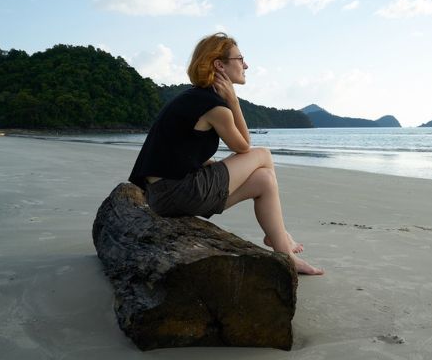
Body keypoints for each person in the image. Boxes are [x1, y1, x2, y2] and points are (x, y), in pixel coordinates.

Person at [129, 32, 323, 275]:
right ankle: (282, 244)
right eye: (240, 59)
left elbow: (177, 152)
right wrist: (234, 100)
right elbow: (244, 146)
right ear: (220, 65)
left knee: (265, 180)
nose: (246, 65)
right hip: (178, 193)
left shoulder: (193, 98)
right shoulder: (215, 107)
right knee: (263, 154)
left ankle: (280, 243)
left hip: (163, 196)